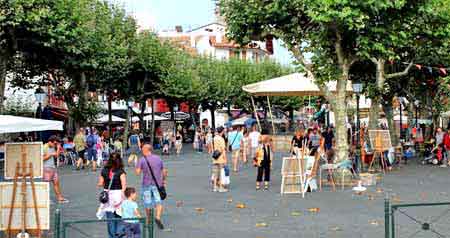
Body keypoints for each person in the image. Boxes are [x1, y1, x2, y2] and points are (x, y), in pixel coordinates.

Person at [135, 144, 167, 230]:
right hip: (157, 184)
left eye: (142, 149)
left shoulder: (142, 160)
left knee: (147, 203)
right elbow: (164, 171)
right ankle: (158, 217)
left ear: (146, 150)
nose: (141, 150)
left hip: (146, 184)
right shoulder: (158, 158)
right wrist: (163, 180)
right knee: (158, 202)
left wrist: (136, 164)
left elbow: (137, 172)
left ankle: (149, 219)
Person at [97, 153, 126, 238]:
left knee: (110, 218)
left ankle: (112, 235)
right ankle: (119, 233)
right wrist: (123, 196)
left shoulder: (104, 170)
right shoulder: (121, 171)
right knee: (120, 216)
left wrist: (105, 184)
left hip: (108, 195)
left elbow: (100, 183)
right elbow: (124, 185)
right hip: (118, 194)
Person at [43, 135, 68, 203]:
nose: (55, 145)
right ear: (50, 142)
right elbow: (41, 158)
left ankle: (60, 198)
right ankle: (46, 199)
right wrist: (50, 155)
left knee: (56, 183)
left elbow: (56, 155)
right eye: (54, 143)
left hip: (52, 167)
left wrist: (58, 148)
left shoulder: (53, 146)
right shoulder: (44, 147)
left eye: (56, 144)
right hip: (46, 168)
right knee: (46, 184)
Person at [212, 127, 228, 192]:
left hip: (215, 156)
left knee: (215, 173)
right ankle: (221, 187)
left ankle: (215, 187)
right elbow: (223, 149)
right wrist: (225, 158)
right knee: (221, 172)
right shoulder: (221, 139)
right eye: (223, 131)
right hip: (220, 157)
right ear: (222, 131)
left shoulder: (215, 138)